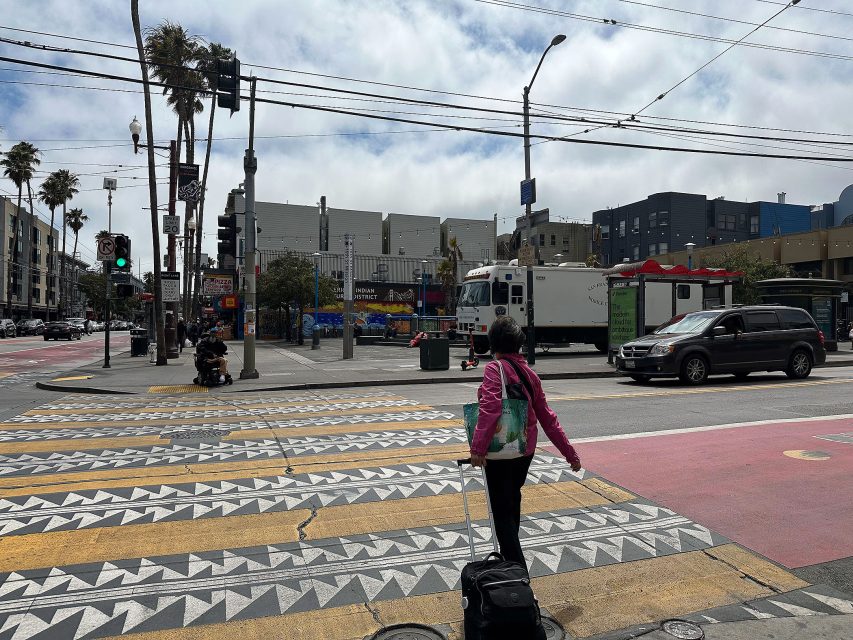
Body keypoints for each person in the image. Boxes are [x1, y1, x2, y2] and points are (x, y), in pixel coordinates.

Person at [469, 316, 581, 570]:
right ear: (518, 344)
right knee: (512, 502)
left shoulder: (494, 369)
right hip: (523, 450)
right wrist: (570, 454)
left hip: (499, 452)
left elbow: (490, 406)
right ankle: (512, 562)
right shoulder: (530, 375)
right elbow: (548, 418)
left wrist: (478, 448)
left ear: (494, 343)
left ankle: (517, 570)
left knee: (501, 512)